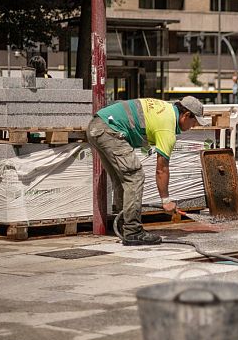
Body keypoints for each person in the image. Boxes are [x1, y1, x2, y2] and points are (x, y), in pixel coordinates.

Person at [86, 96, 208, 245]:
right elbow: (161, 169)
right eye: (194, 122)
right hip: (108, 129)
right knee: (135, 176)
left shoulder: (166, 110)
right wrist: (166, 201)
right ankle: (133, 231)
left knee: (123, 178)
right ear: (186, 115)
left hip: (98, 126)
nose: (193, 126)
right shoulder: (167, 126)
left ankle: (125, 225)